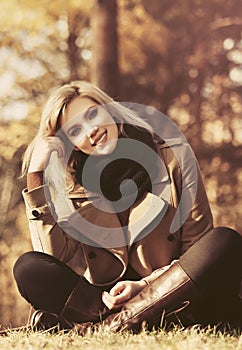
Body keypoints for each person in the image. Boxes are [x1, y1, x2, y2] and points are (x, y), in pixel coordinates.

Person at [13, 81, 242, 333]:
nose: (91, 130)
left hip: (176, 295)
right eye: (76, 130)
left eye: (92, 114)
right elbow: (51, 259)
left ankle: (107, 329)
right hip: (107, 302)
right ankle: (116, 322)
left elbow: (196, 246)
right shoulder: (73, 188)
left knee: (224, 241)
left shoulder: (174, 156)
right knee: (28, 268)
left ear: (109, 109)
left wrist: (144, 285)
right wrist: (36, 176)